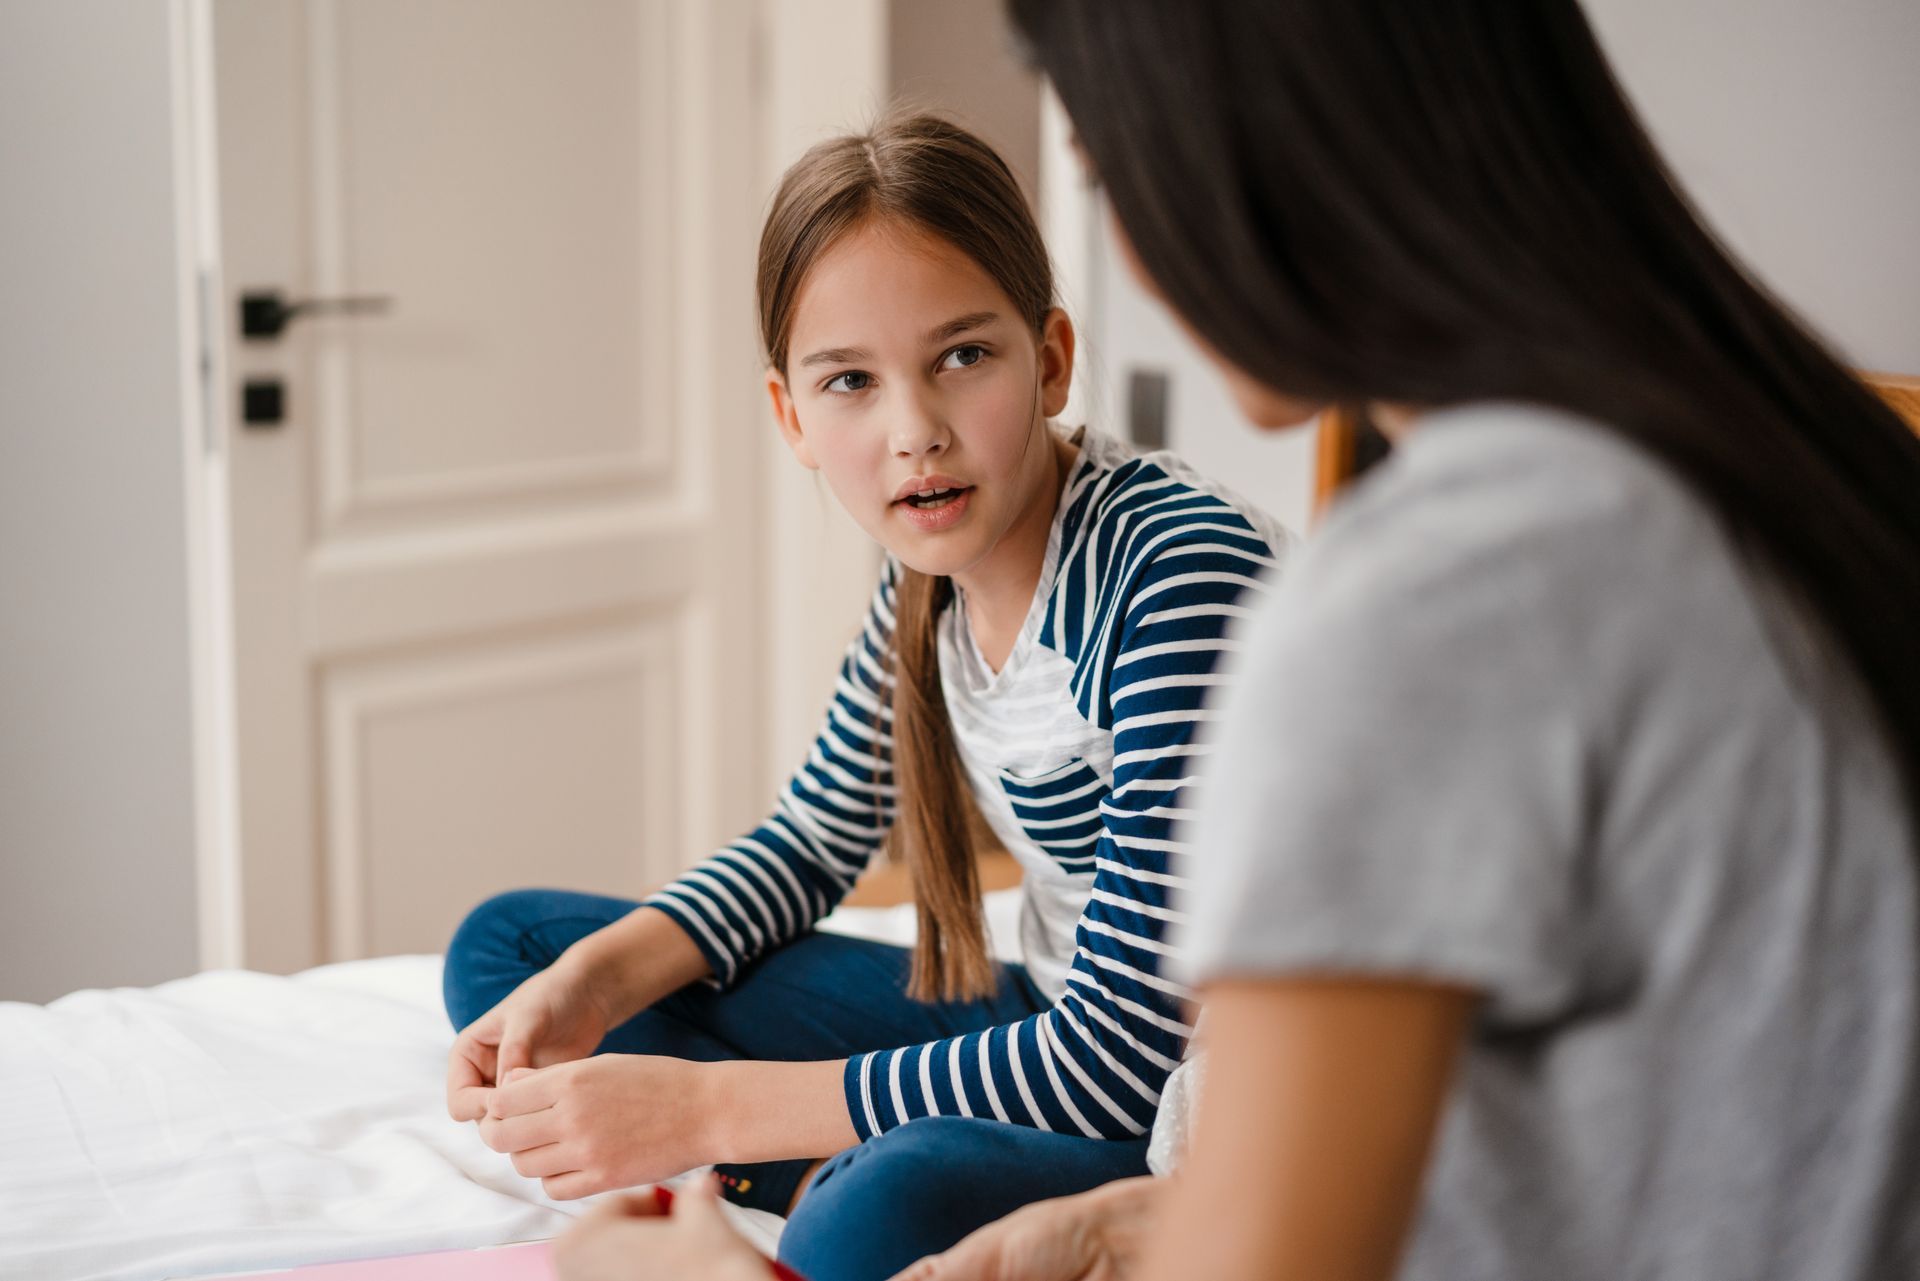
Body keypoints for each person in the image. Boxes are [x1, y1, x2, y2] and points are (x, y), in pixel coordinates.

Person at [553, 1, 1920, 1279]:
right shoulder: (1776, 474)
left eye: (1104, 160)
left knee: (870, 1204)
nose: (1140, 240)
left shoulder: (1429, 597)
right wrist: (1123, 1223)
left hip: (1109, 1077)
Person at [440, 111, 1293, 1281]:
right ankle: (817, 1164)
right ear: (793, 416)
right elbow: (810, 843)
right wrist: (589, 986)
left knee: (868, 1220)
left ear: (1049, 356)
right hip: (1046, 1025)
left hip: (1203, 1103)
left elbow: (1125, 1061)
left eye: (962, 357)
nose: (915, 434)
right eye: (851, 381)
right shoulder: (926, 587)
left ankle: (819, 1180)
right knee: (519, 953)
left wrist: (707, 1114)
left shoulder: (1171, 573)